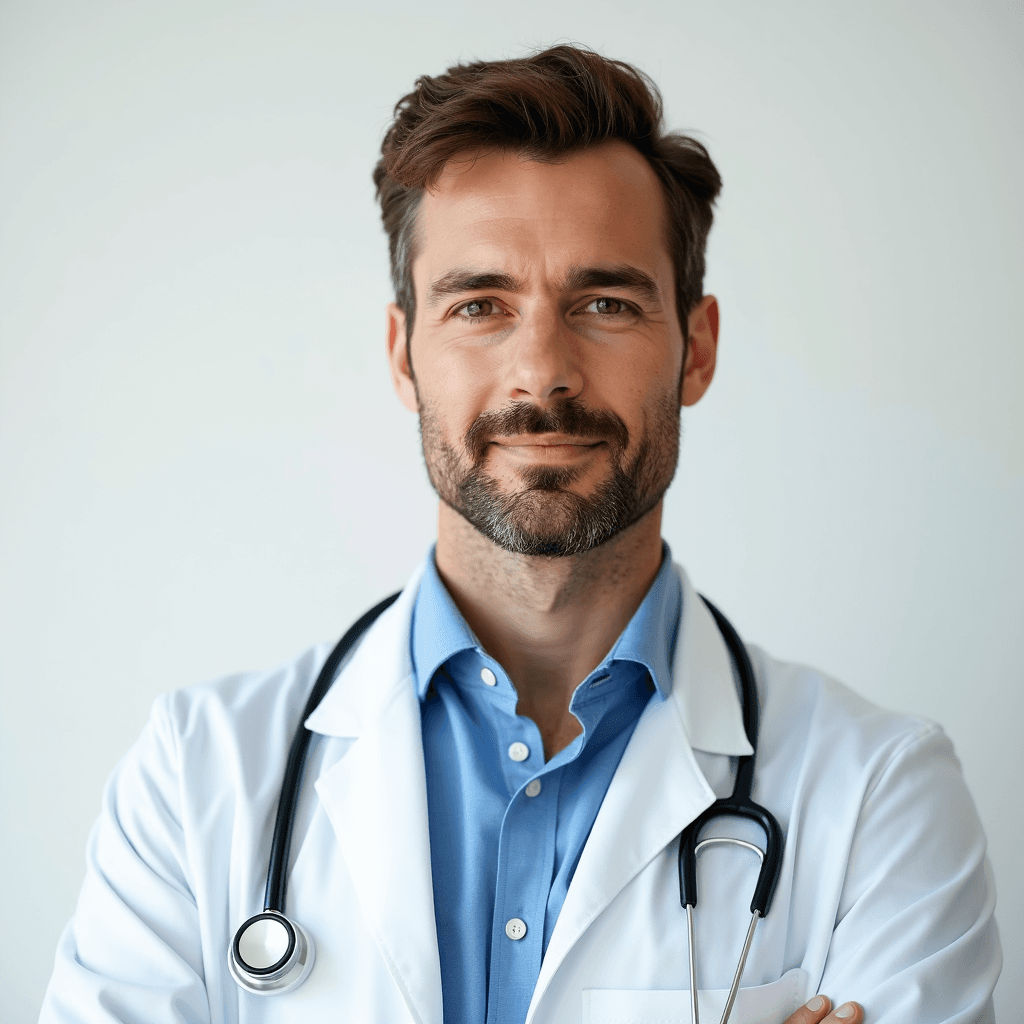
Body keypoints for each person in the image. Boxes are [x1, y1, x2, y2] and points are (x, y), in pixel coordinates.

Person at [40, 45, 1000, 1024]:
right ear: (404, 354)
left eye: (605, 304)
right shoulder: (195, 777)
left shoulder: (882, 795)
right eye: (480, 306)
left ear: (696, 349)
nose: (541, 372)